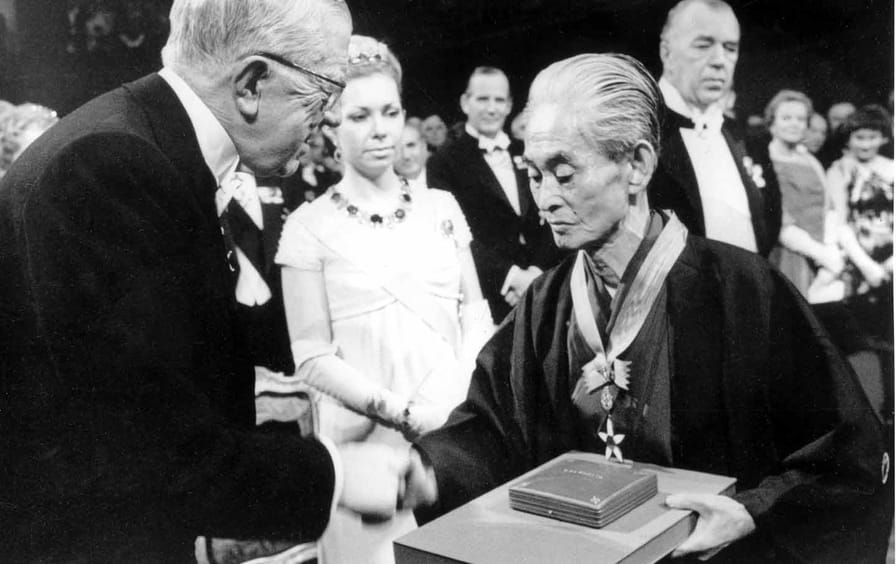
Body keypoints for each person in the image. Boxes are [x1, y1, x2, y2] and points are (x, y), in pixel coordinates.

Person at [404, 53, 891, 563]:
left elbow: (847, 451)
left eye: (564, 174)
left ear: (637, 165)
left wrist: (751, 512)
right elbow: (490, 428)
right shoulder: (545, 305)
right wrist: (429, 471)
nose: (544, 199)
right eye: (534, 174)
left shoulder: (743, 290)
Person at [0, 2, 419, 562]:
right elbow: (151, 451)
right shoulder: (110, 164)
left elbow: (187, 349)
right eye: (325, 91)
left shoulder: (146, 144)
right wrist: (339, 474)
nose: (331, 118)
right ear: (250, 84)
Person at [276, 35, 491, 564]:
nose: (380, 130)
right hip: (368, 451)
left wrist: (460, 403)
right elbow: (311, 356)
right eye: (360, 116)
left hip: (455, 431)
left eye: (391, 112)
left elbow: (476, 313)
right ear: (330, 125)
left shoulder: (442, 207)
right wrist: (404, 413)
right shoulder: (307, 226)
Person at [427, 65, 561, 323]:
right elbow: (451, 234)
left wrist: (535, 274)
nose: (491, 108)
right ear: (465, 102)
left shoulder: (528, 150)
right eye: (482, 99)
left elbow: (550, 210)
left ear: (509, 105)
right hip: (490, 293)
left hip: (543, 285)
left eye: (499, 100)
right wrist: (513, 277)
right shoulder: (444, 162)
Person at [648, 0, 781, 257]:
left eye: (730, 48)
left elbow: (769, 221)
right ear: (666, 53)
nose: (720, 61)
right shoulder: (639, 129)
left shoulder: (746, 136)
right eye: (703, 45)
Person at [764, 90, 844, 302]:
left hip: (822, 256)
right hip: (788, 254)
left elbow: (829, 205)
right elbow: (778, 219)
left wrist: (830, 247)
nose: (794, 124)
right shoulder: (766, 159)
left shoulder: (809, 159)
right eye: (786, 118)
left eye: (800, 119)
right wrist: (820, 253)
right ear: (772, 122)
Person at [827, 105, 894, 336]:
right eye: (859, 137)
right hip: (857, 260)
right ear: (849, 139)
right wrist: (867, 266)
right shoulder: (839, 170)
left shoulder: (892, 168)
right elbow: (840, 221)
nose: (865, 144)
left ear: (884, 138)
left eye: (872, 137)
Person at [394, 121, 430, 191]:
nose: (406, 155)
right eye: (396, 149)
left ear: (424, 146)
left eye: (410, 145)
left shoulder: (447, 178)